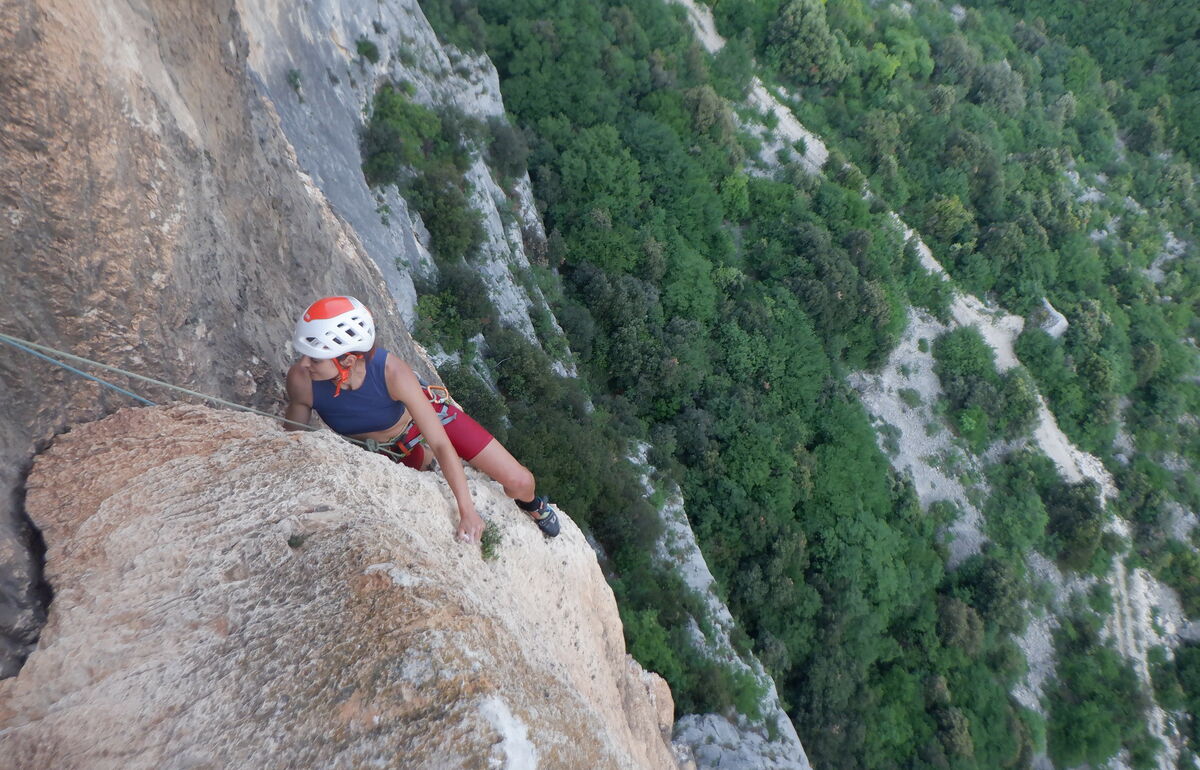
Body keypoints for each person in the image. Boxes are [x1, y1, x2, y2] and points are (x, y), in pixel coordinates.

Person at [283, 295, 559, 543]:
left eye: (315, 358)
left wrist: (467, 511)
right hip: (388, 451)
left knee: (520, 481)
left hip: (428, 421)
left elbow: (441, 442)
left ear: (347, 361)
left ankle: (534, 505)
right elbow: (293, 440)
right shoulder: (302, 380)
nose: (304, 364)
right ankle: (425, 460)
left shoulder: (391, 374)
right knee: (420, 463)